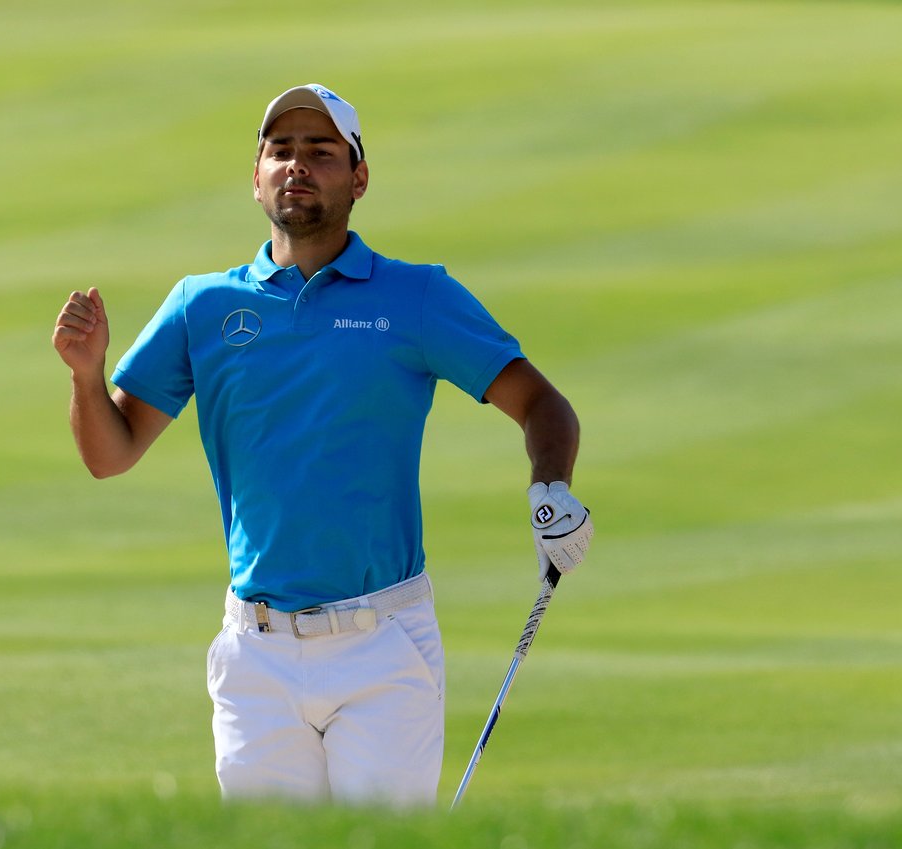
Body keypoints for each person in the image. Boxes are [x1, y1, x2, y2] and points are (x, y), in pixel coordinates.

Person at [53, 83, 594, 807]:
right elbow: (108, 452)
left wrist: (550, 489)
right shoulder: (202, 306)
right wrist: (87, 377)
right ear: (256, 178)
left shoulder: (416, 297)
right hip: (256, 651)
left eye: (321, 152)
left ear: (358, 177)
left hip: (384, 645)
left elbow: (540, 403)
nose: (296, 166)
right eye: (279, 151)